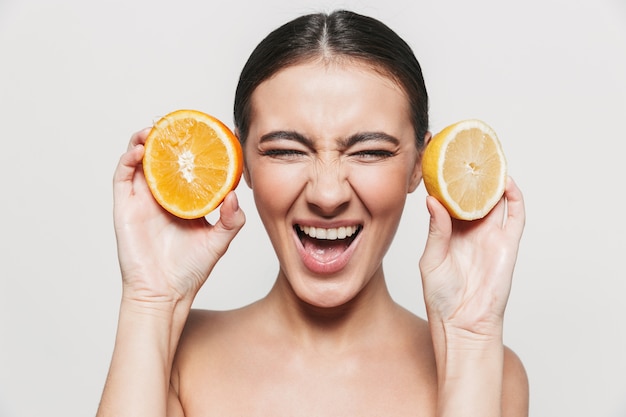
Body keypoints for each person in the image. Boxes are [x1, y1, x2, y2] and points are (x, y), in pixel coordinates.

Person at [97, 9, 528, 417]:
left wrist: (470, 337)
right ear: (240, 162)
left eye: (371, 151)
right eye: (286, 150)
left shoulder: (487, 367)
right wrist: (149, 301)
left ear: (419, 165)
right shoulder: (173, 357)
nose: (326, 194)